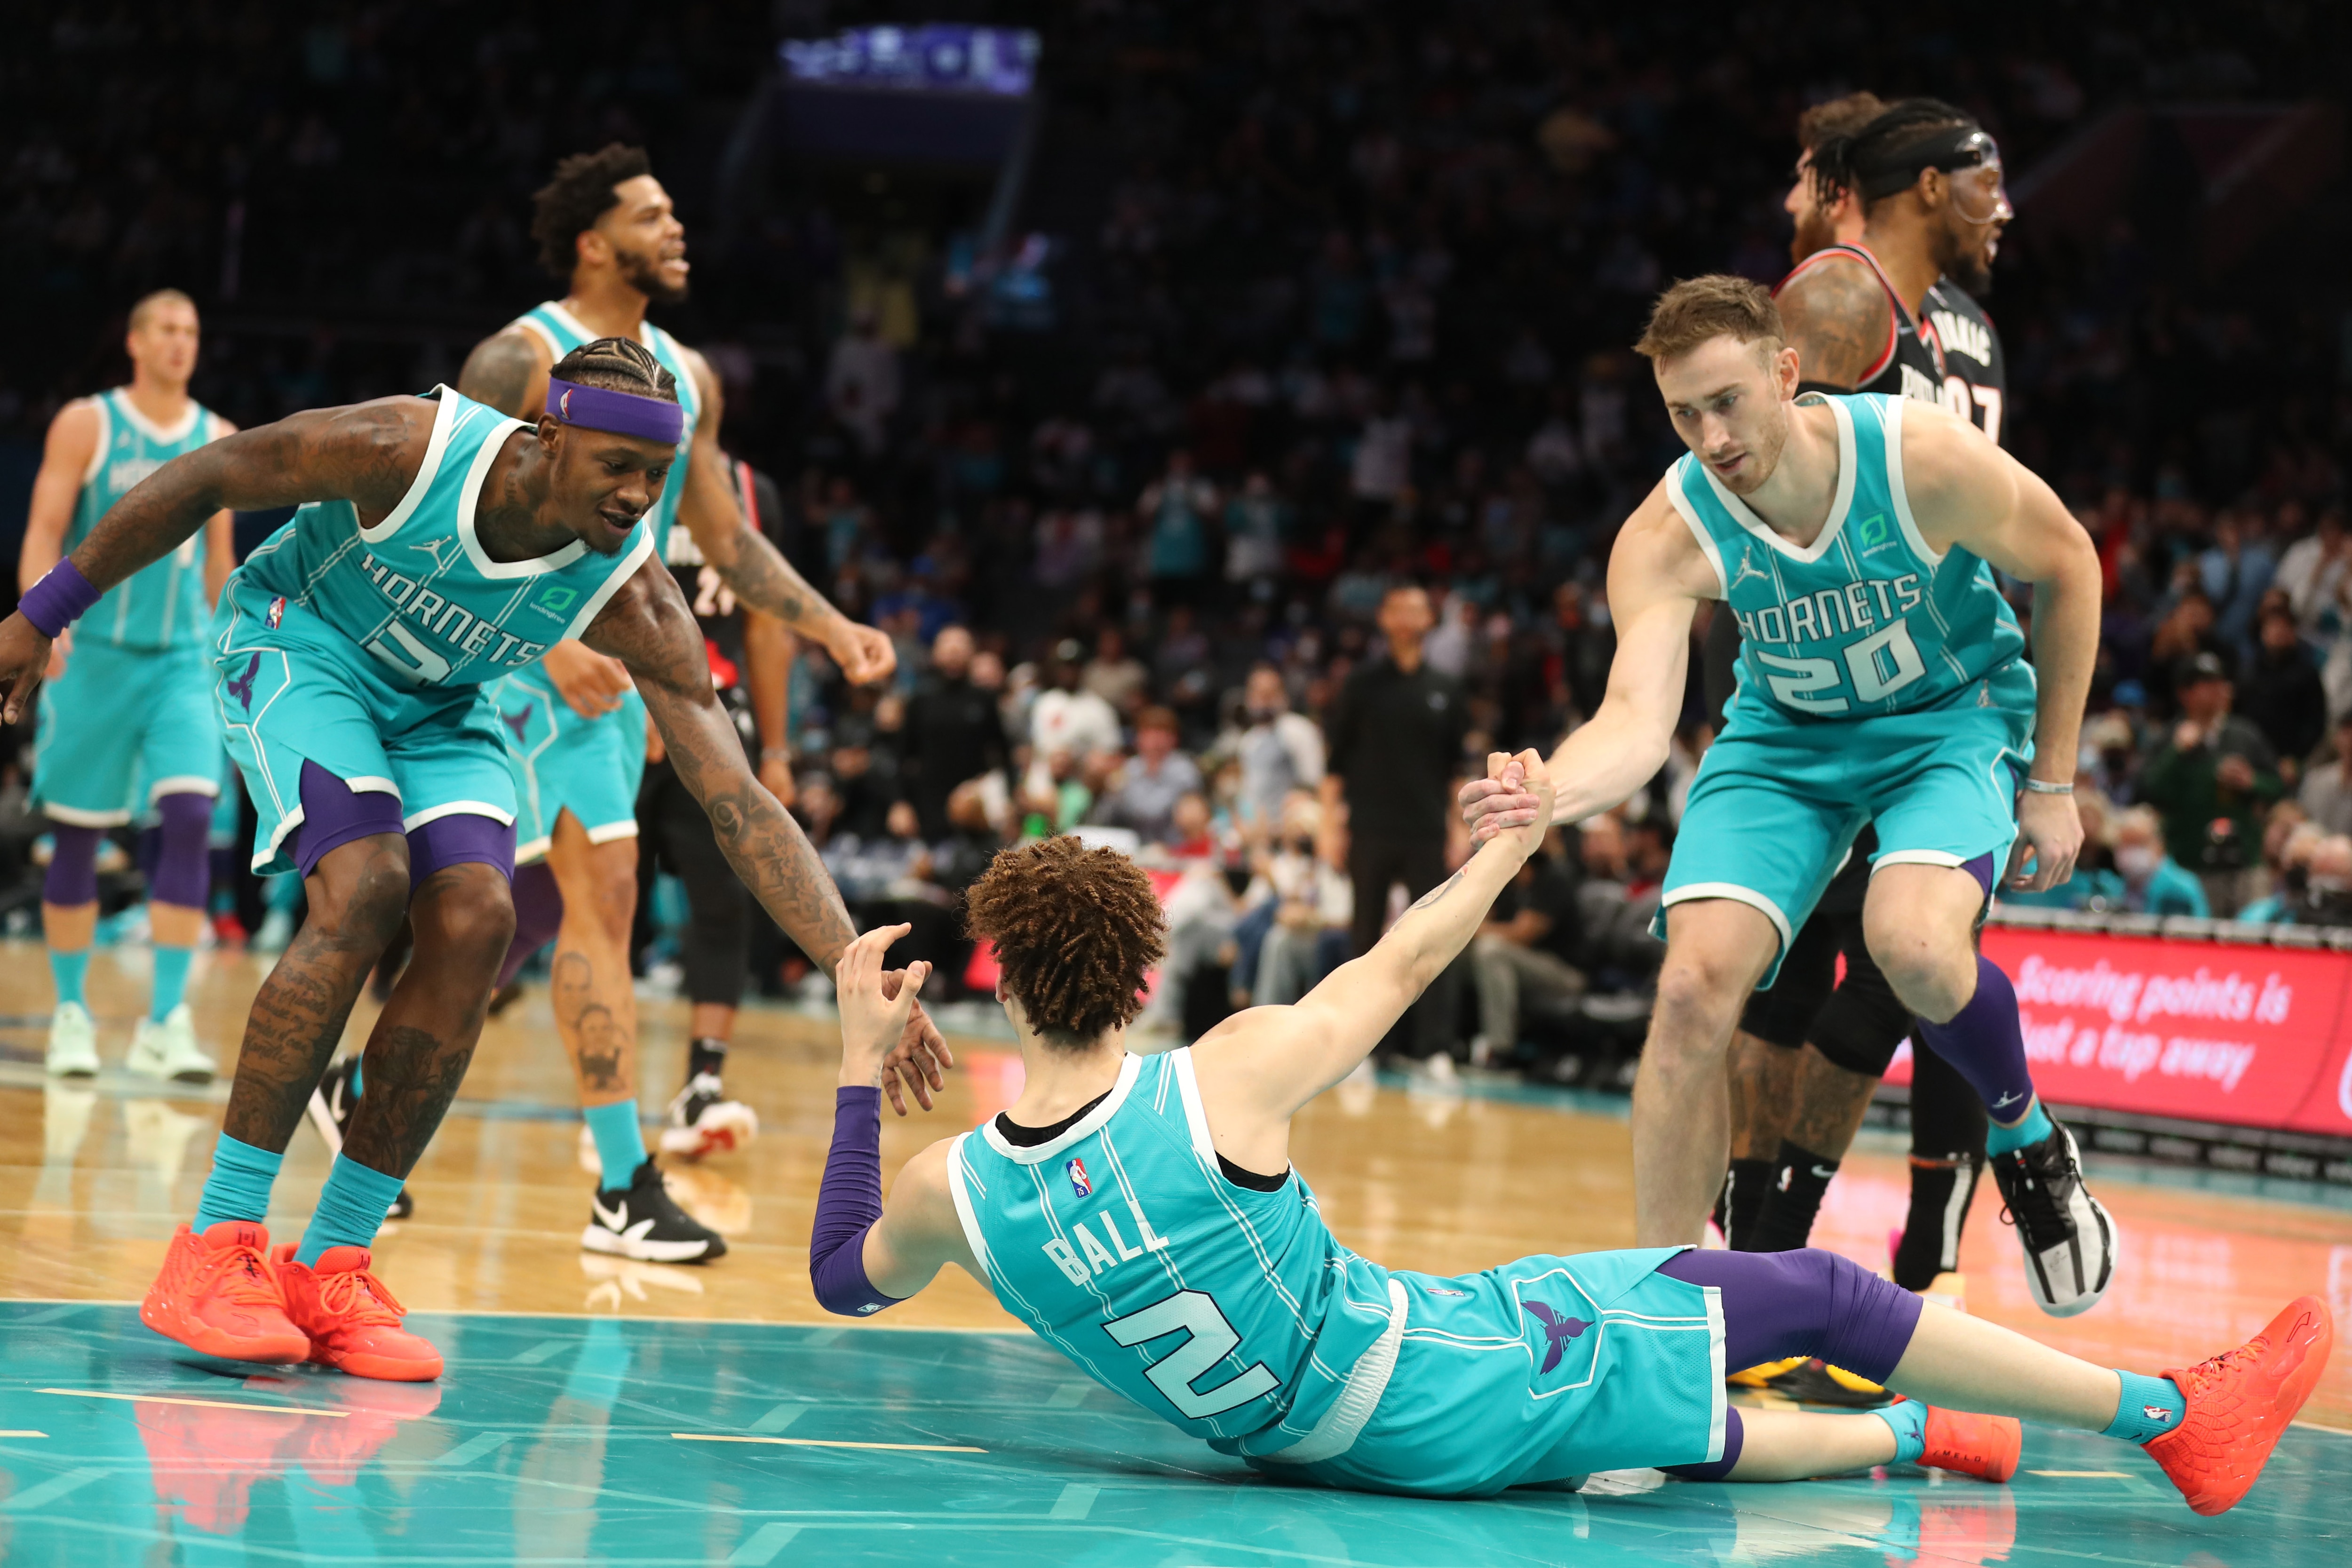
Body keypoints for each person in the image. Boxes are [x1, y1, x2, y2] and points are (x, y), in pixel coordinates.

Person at [802, 773, 2331, 1515]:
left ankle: (1931, 1434)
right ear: (1144, 970)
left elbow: (837, 1282)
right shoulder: (1222, 1079)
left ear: (997, 973)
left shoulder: (960, 1197)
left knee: (1670, 1389)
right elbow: (1397, 969)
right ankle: (2163, 1413)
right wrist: (1513, 842)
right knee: (1811, 1300)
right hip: (1426, 1387)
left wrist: (864, 1078)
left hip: (1333, 1417)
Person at [0, 340, 946, 1379]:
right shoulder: (406, 449)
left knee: (481, 921)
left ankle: (333, 1263)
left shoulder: (632, 592)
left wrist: (857, 963)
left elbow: (738, 800)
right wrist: (40, 614)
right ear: (548, 436)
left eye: (653, 474)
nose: (637, 496)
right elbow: (208, 476)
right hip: (298, 641)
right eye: (614, 467)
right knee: (369, 885)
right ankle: (216, 1247)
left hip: (441, 706)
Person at [1462, 276, 2118, 1321]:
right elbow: (1635, 719)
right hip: (1787, 740)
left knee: (1912, 943)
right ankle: (1663, 1323)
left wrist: (2052, 778)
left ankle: (2027, 1138)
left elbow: (2070, 561)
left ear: (1783, 372)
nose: (1711, 436)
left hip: (1949, 716)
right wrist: (1551, 788)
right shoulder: (1668, 531)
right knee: (1687, 993)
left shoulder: (1914, 458)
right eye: (1684, 413)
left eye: (1727, 401)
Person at [355, 144, 898, 1258]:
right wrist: (545, 644)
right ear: (596, 242)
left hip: (608, 688)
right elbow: (438, 514)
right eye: (654, 216)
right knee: (479, 914)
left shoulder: (688, 377)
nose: (677, 229)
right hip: (495, 664)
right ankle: (379, 1102)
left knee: (591, 912)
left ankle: (612, 1184)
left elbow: (727, 540)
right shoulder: (519, 353)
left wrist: (825, 624)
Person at [1712, 96, 2026, 1329]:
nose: (1788, 196)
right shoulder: (1977, 329)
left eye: (1800, 174)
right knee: (1894, 979)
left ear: (1840, 184)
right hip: (1955, 688)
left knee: (1824, 997)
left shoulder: (1840, 303)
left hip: (1856, 691)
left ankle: (1778, 1262)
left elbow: (1778, 510)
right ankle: (1898, 1267)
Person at [21, 288, 237, 1081]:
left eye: (192, 331)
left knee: (188, 816)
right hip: (96, 655)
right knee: (78, 832)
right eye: (168, 330)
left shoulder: (219, 438)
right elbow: (45, 529)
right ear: (138, 343)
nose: (183, 343)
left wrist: (230, 648)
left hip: (181, 659)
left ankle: (166, 1020)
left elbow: (219, 564)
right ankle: (72, 1013)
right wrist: (43, 618)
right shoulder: (89, 422)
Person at [623, 452, 799, 1159]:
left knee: (724, 902)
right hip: (618, 712)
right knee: (595, 906)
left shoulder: (753, 491)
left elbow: (767, 623)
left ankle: (704, 1080)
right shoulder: (620, 467)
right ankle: (605, 1093)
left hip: (715, 716)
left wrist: (780, 752)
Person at [1322, 582, 1470, 1069]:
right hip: (1367, 827)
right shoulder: (1360, 685)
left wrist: (1455, 830)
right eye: (1397, 609)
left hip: (1427, 829)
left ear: (1430, 620)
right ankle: (1361, 1048)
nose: (1406, 618)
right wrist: (1330, 826)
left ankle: (1434, 1050)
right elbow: (1335, 764)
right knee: (1363, 939)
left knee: (1432, 937)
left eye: (1416, 610)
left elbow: (1456, 770)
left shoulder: (1445, 690)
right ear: (1383, 619)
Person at [2139, 650, 2282, 917]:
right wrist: (2176, 753)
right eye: (2208, 685)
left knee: (2252, 938)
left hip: (2245, 861)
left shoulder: (2244, 735)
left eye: (2222, 684)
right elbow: (2148, 790)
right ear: (2186, 694)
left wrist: (2252, 782)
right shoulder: (2169, 737)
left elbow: (2278, 787)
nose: (2219, 691)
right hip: (2189, 863)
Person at [902, 624, 1008, 841]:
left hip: (974, 807)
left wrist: (1000, 798)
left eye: (960, 646)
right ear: (935, 653)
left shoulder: (984, 700)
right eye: (948, 646)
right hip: (929, 808)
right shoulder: (920, 700)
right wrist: (901, 804)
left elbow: (1003, 753)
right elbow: (903, 756)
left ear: (972, 653)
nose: (954, 653)